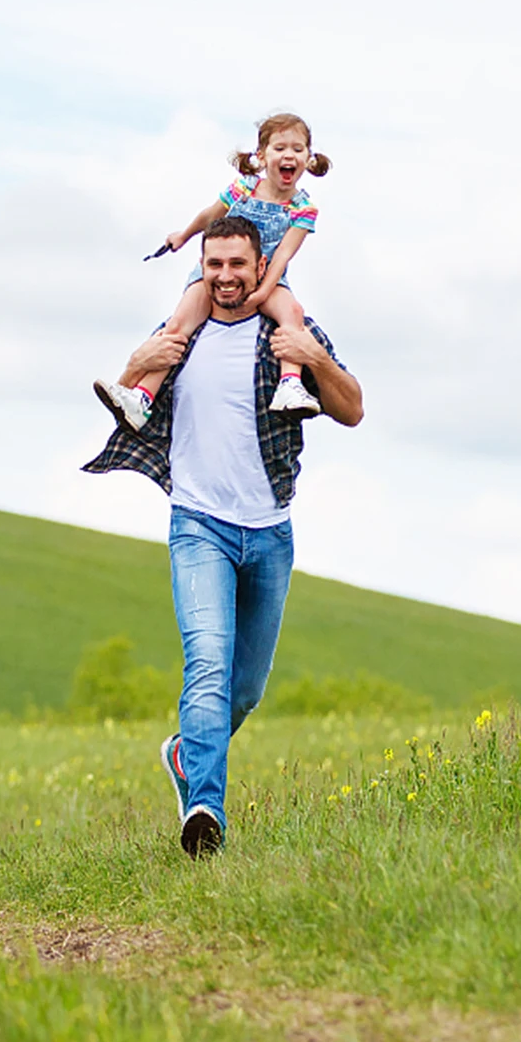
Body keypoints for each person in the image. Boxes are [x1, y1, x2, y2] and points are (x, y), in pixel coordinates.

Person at [82, 212, 363, 858]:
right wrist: (133, 361)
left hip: (269, 534)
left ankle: (186, 754)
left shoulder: (287, 330)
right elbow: (128, 397)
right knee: (206, 666)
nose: (226, 277)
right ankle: (206, 810)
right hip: (198, 526)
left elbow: (352, 409)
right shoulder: (180, 332)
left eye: (239, 265)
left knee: (244, 689)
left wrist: (314, 358)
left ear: (260, 266)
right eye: (215, 265)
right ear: (201, 268)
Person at [96, 112, 330, 434]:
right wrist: (184, 235)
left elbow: (284, 255)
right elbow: (210, 215)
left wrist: (262, 293)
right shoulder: (244, 188)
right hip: (220, 269)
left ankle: (290, 385)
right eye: (279, 148)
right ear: (261, 157)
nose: (289, 155)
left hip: (268, 274)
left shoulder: (303, 208)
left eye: (297, 149)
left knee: (293, 314)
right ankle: (142, 397)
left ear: (308, 157)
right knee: (179, 325)